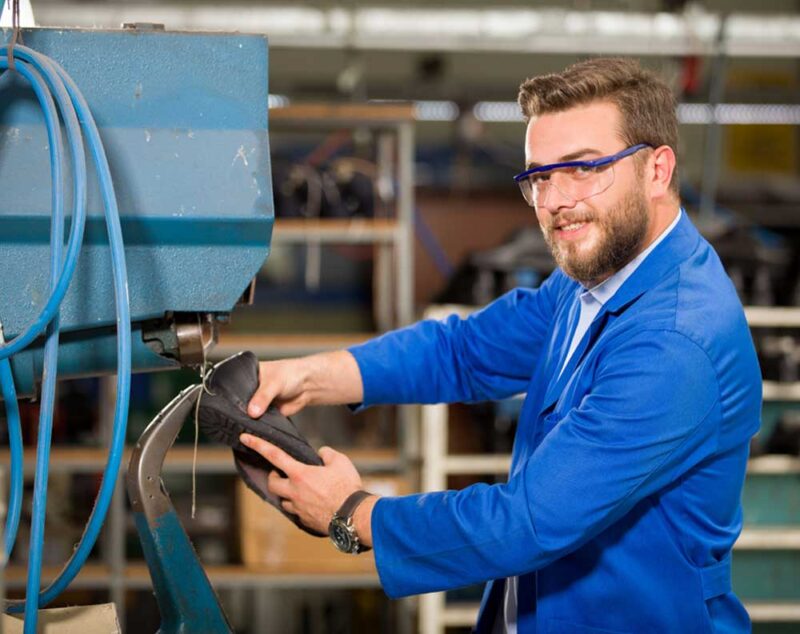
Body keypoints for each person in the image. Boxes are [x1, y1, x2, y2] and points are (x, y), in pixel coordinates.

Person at [240, 57, 761, 633]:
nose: (555, 200)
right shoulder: (594, 282)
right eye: (540, 177)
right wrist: (308, 377)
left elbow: (529, 521)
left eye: (584, 168)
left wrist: (352, 513)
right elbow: (464, 352)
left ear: (657, 170)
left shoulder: (674, 340)